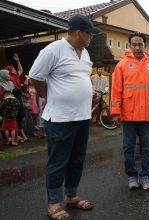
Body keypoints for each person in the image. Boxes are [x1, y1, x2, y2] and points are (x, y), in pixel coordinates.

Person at [29, 15, 100, 220]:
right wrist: (47, 95)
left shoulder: (85, 52)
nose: (91, 38)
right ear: (79, 33)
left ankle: (70, 195)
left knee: (77, 160)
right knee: (58, 161)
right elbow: (36, 76)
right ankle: (53, 203)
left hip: (82, 116)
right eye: (90, 34)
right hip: (60, 118)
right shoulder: (53, 50)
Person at [110, 32, 149, 191]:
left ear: (144, 45)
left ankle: (146, 176)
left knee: (147, 147)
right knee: (128, 147)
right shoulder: (122, 65)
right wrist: (115, 112)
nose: (136, 47)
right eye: (133, 44)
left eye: (139, 44)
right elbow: (116, 91)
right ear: (130, 46)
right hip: (128, 115)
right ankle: (132, 176)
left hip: (148, 114)